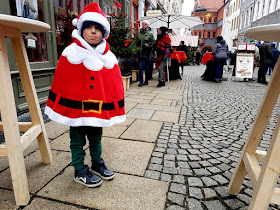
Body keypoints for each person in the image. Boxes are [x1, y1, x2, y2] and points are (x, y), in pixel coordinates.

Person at [45, 2, 126, 188]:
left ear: (104, 32)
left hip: (98, 109)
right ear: (81, 30)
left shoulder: (109, 56)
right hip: (76, 109)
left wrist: (114, 105)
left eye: (97, 28)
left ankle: (97, 162)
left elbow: (114, 83)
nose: (93, 31)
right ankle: (79, 169)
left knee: (96, 137)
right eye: (88, 27)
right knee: (77, 139)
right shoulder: (71, 52)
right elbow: (63, 80)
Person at [136, 20, 155, 86]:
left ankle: (146, 80)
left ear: (147, 25)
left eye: (145, 24)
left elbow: (153, 43)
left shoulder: (150, 34)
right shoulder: (139, 33)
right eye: (143, 24)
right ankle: (141, 81)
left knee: (147, 68)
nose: (143, 25)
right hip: (140, 53)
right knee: (140, 67)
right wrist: (136, 50)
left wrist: (148, 45)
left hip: (147, 53)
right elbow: (136, 42)